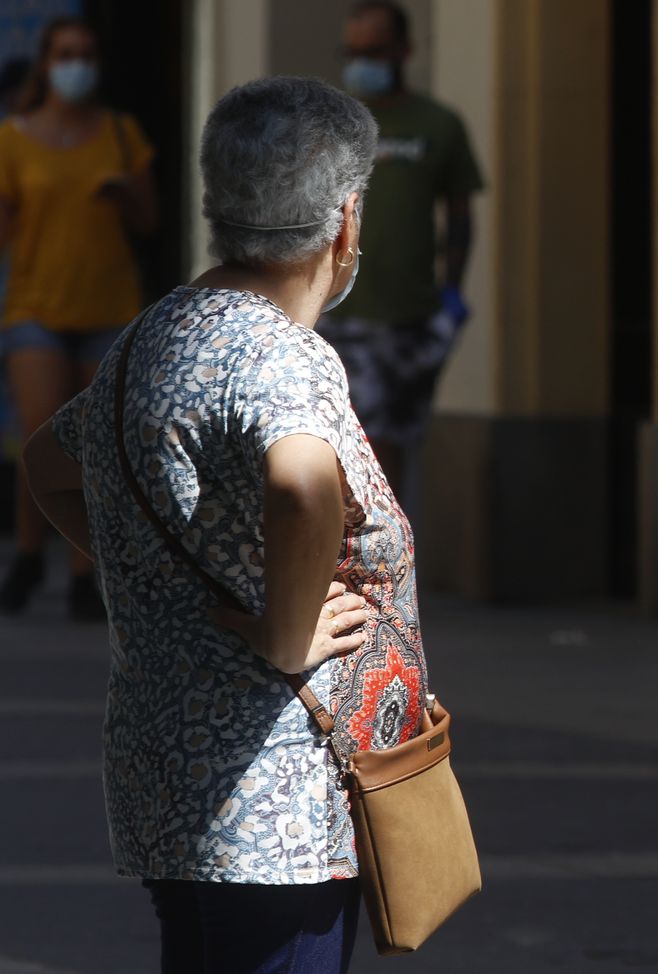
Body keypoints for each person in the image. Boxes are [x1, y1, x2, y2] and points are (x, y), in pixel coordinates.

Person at [22, 76, 431, 973]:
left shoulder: (154, 333)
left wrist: (141, 568)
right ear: (346, 220)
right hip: (275, 802)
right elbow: (300, 483)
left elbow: (47, 465)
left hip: (176, 781)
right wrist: (287, 638)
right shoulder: (282, 350)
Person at [0, 17, 155, 619]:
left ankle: (84, 575)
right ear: (45, 64)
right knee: (41, 435)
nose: (76, 64)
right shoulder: (12, 138)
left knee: (96, 448)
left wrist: (126, 194)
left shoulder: (120, 133)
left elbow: (150, 220)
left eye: (86, 53)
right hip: (35, 304)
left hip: (108, 306)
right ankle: (30, 555)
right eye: (65, 54)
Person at [321, 0, 484, 493]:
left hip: (409, 317)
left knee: (394, 446)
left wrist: (451, 293)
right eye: (352, 51)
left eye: (373, 50)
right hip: (341, 314)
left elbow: (459, 214)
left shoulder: (438, 125)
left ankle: (388, 557)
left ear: (404, 50)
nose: (361, 62)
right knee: (357, 444)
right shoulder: (331, 125)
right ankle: (363, 560)